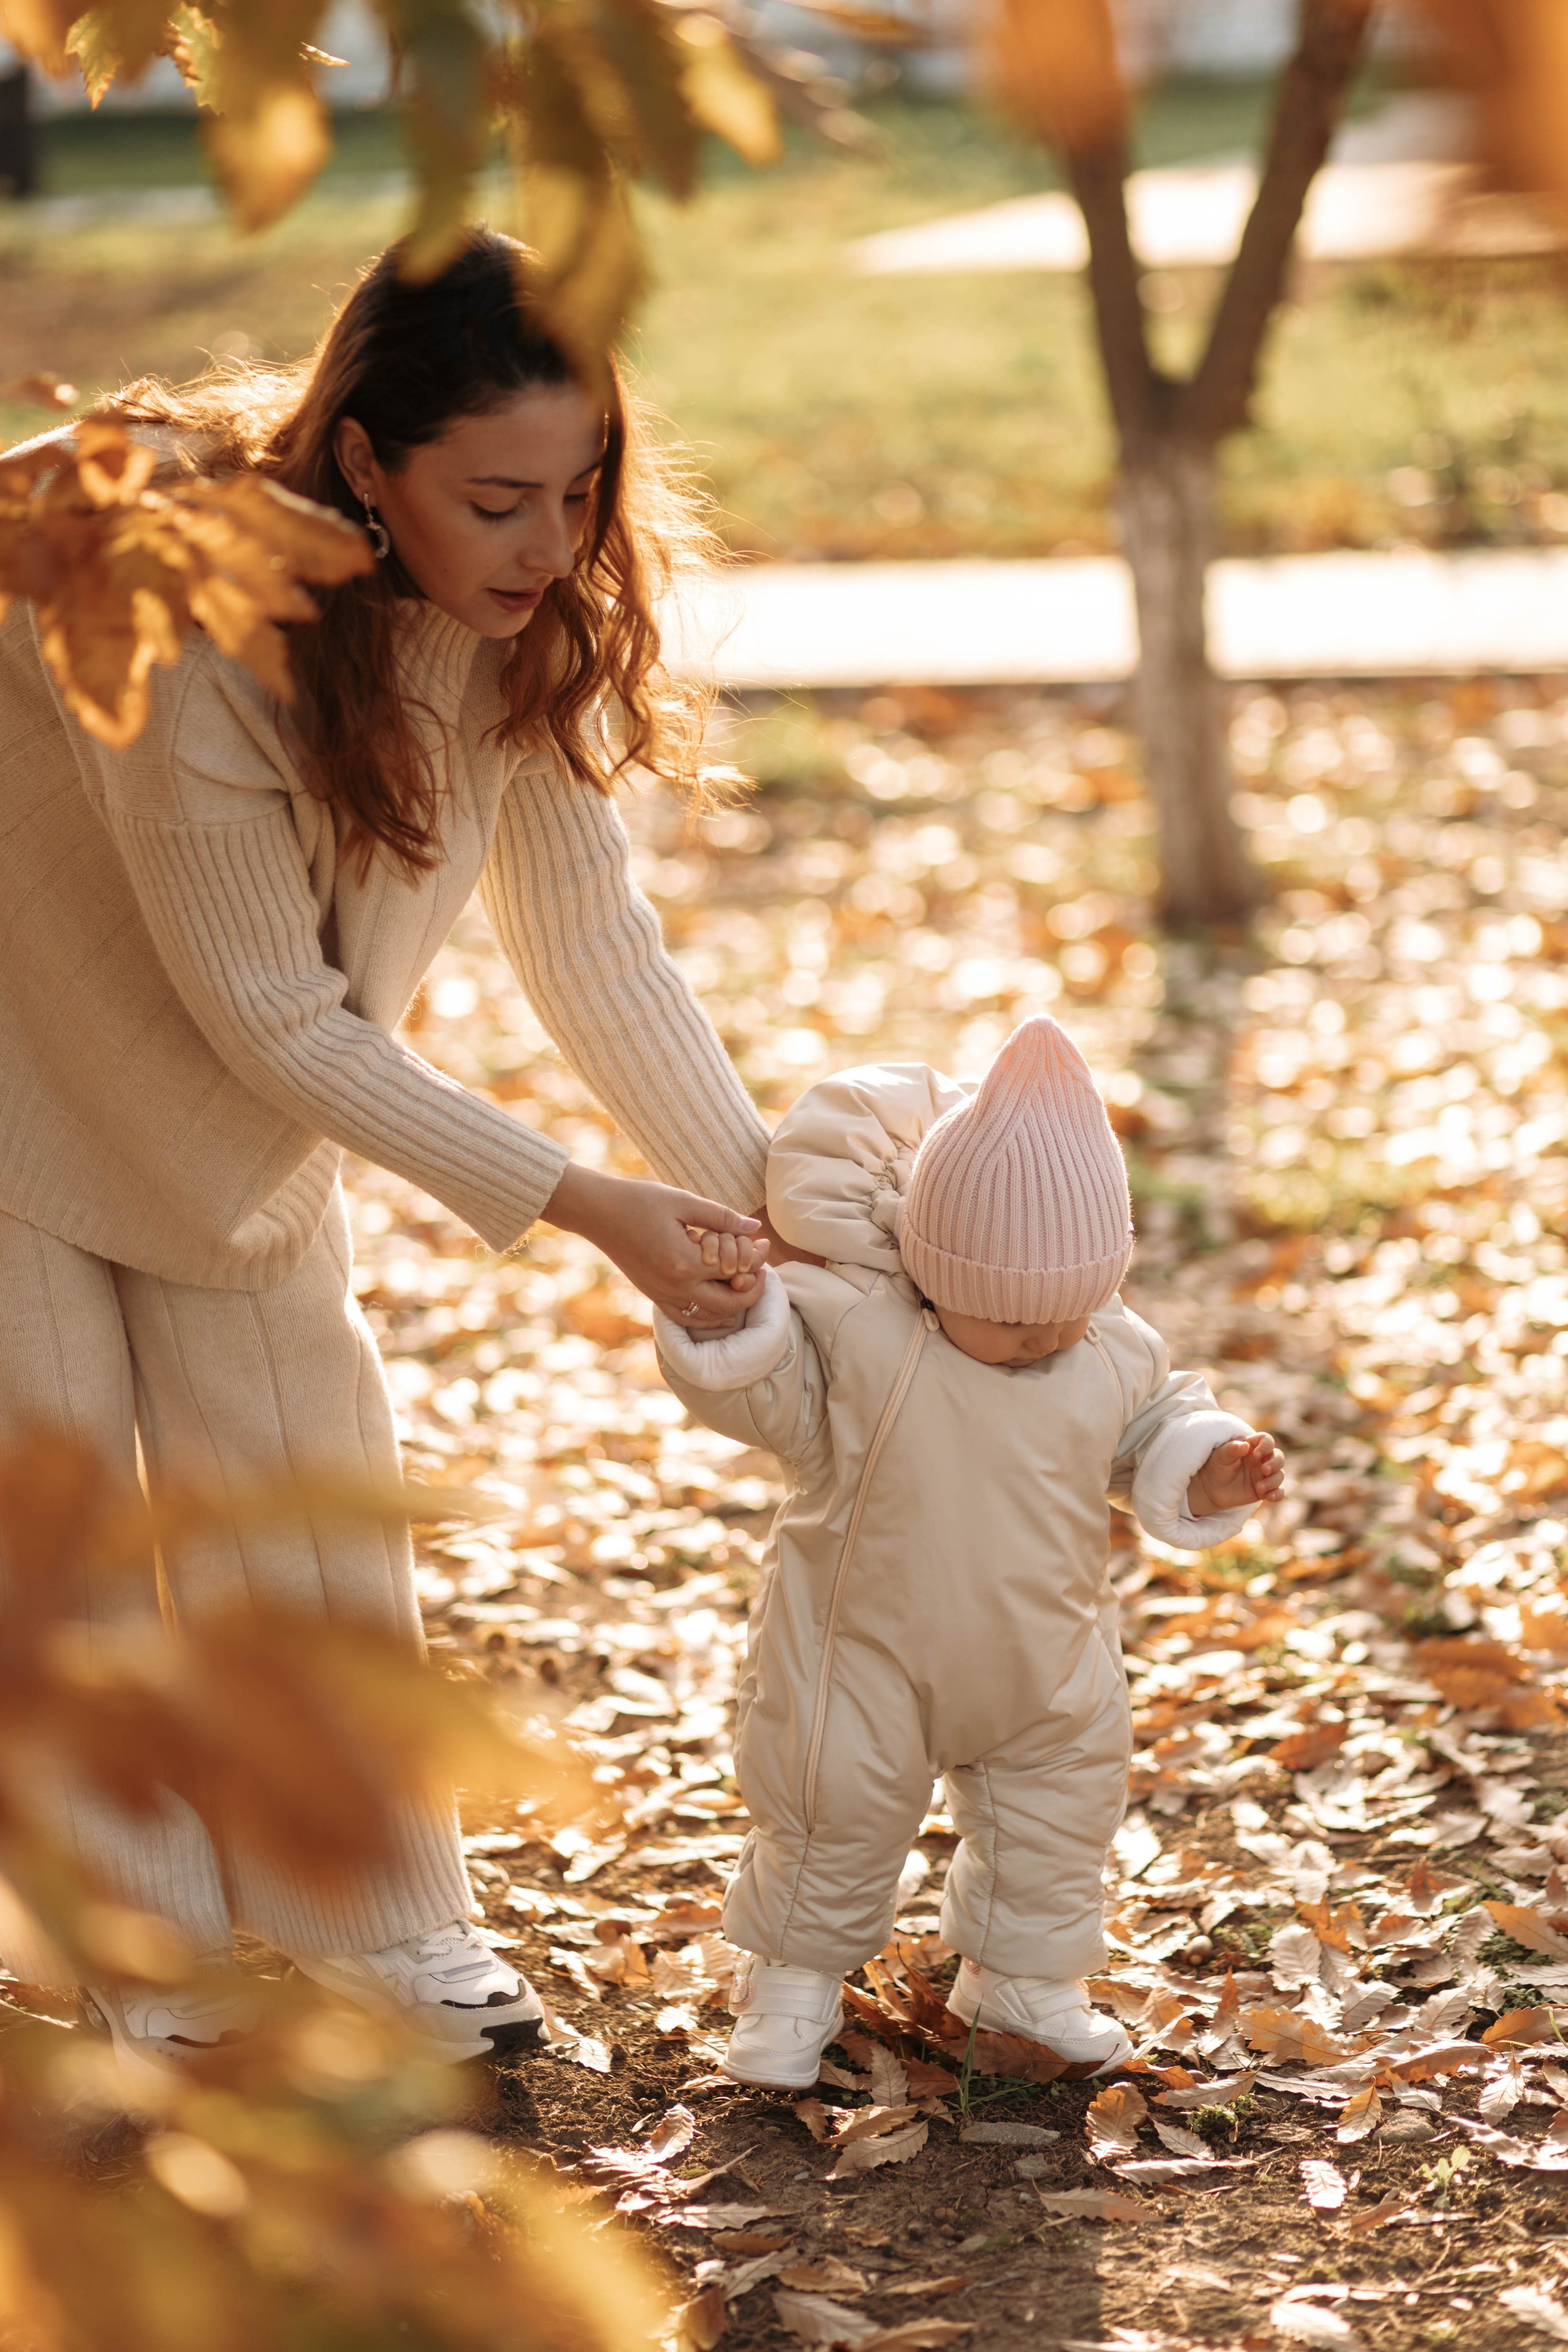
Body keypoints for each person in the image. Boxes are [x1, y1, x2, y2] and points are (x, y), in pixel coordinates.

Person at [0, 228, 784, 2071]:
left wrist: (765, 1206)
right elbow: (272, 1014)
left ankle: (372, 1916)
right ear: (363, 458)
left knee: (306, 1496)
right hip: (20, 1050)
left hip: (232, 1105)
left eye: (578, 492)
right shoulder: (187, 614)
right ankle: (145, 1955)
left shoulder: (517, 629)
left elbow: (591, 947)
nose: (548, 543)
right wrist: (585, 1208)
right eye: (495, 500)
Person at [653, 1016, 1284, 2087]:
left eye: (1070, 1311)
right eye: (1008, 1315)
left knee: (1059, 1816)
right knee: (830, 1809)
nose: (1045, 1337)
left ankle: (1023, 1981)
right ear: (933, 1272)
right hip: (861, 1649)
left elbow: (1152, 1429)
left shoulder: (1111, 1349)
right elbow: (765, 1395)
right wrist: (731, 1327)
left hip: (1048, 1658)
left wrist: (1208, 1465)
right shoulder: (861, 1337)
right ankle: (794, 1983)